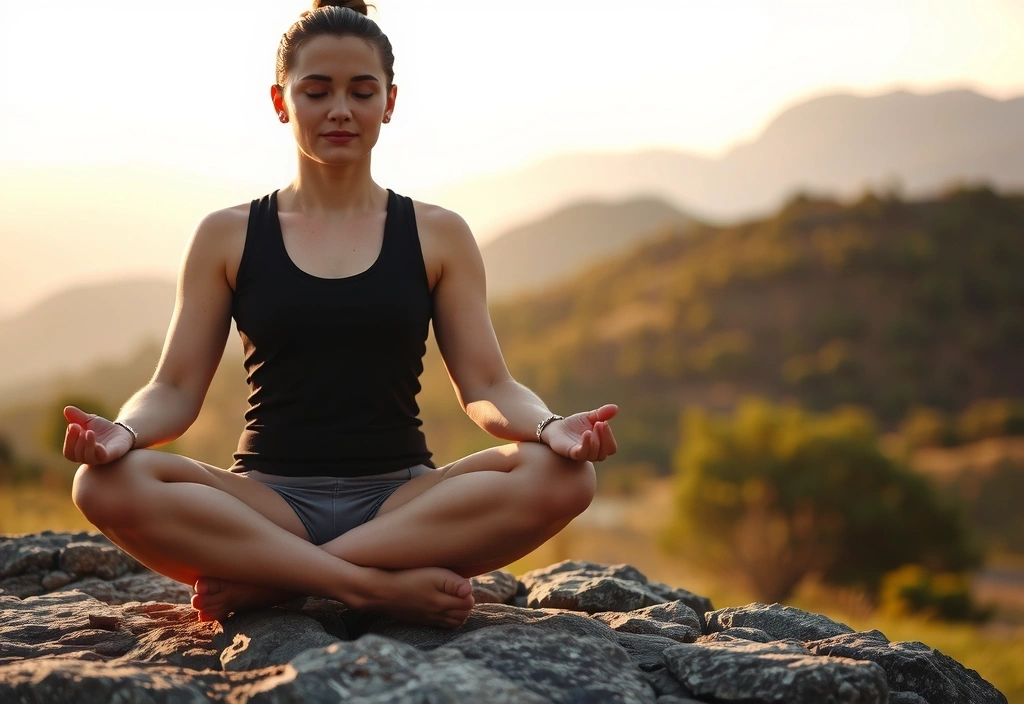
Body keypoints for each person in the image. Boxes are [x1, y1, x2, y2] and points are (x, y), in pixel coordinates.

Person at [64, 0, 618, 628]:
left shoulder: (438, 233)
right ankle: (366, 588)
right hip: (265, 500)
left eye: (361, 91)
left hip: (402, 503)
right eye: (316, 90)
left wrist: (550, 428)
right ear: (280, 101)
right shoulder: (227, 235)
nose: (339, 109)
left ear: (390, 101)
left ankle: (275, 580)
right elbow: (172, 389)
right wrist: (125, 433)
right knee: (101, 484)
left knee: (566, 478)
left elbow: (489, 387)